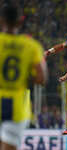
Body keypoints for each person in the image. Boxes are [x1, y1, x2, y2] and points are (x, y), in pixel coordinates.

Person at [0, 4, 47, 150]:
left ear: (1, 21)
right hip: (17, 105)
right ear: (20, 21)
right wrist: (24, 77)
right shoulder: (31, 46)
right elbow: (41, 78)